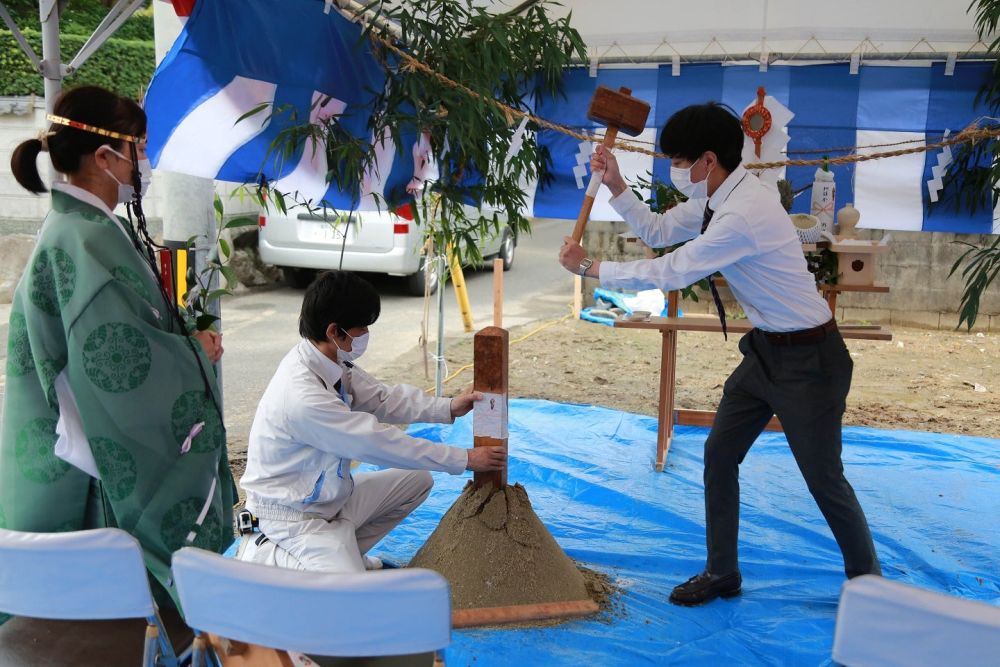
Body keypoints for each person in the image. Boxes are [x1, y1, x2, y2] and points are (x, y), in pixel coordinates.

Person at [558, 102, 880, 606]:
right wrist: (618, 185)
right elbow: (659, 231)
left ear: (708, 160)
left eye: (680, 160)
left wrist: (593, 268)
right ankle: (722, 572)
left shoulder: (742, 213)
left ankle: (869, 584)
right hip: (766, 354)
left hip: (811, 361)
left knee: (823, 478)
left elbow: (673, 270)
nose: (677, 170)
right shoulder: (717, 197)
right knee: (719, 453)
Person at [0, 86, 235, 608]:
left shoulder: (80, 230)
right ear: (106, 157)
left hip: (71, 442)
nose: (144, 163)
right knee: (113, 613)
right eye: (141, 147)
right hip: (92, 462)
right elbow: (117, 363)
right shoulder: (83, 240)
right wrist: (194, 351)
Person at [237, 270, 506, 573]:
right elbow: (375, 442)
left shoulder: (330, 362)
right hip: (292, 519)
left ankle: (342, 552)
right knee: (351, 594)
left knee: (418, 480)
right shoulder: (301, 396)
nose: (365, 333)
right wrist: (464, 458)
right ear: (334, 331)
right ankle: (268, 556)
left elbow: (383, 399)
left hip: (332, 501)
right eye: (361, 327)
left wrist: (448, 407)